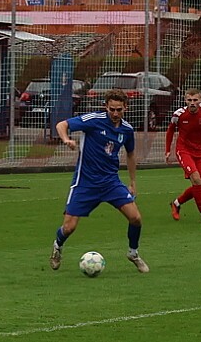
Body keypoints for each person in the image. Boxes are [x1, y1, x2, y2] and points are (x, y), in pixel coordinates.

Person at [52, 93, 148, 272]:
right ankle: (57, 246)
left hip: (111, 182)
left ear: (125, 108)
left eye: (119, 110)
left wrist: (133, 182)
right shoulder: (94, 120)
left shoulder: (126, 130)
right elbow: (62, 125)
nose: (115, 113)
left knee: (136, 218)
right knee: (69, 227)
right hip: (85, 182)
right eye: (112, 109)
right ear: (106, 107)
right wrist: (66, 139)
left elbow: (130, 154)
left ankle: (133, 253)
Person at [165, 87, 201, 224]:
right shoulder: (179, 114)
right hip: (183, 150)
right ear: (185, 100)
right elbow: (170, 131)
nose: (192, 103)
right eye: (189, 100)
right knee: (196, 179)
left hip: (200, 152)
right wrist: (167, 150)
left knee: (199, 185)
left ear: (200, 100)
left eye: (195, 100)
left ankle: (176, 203)